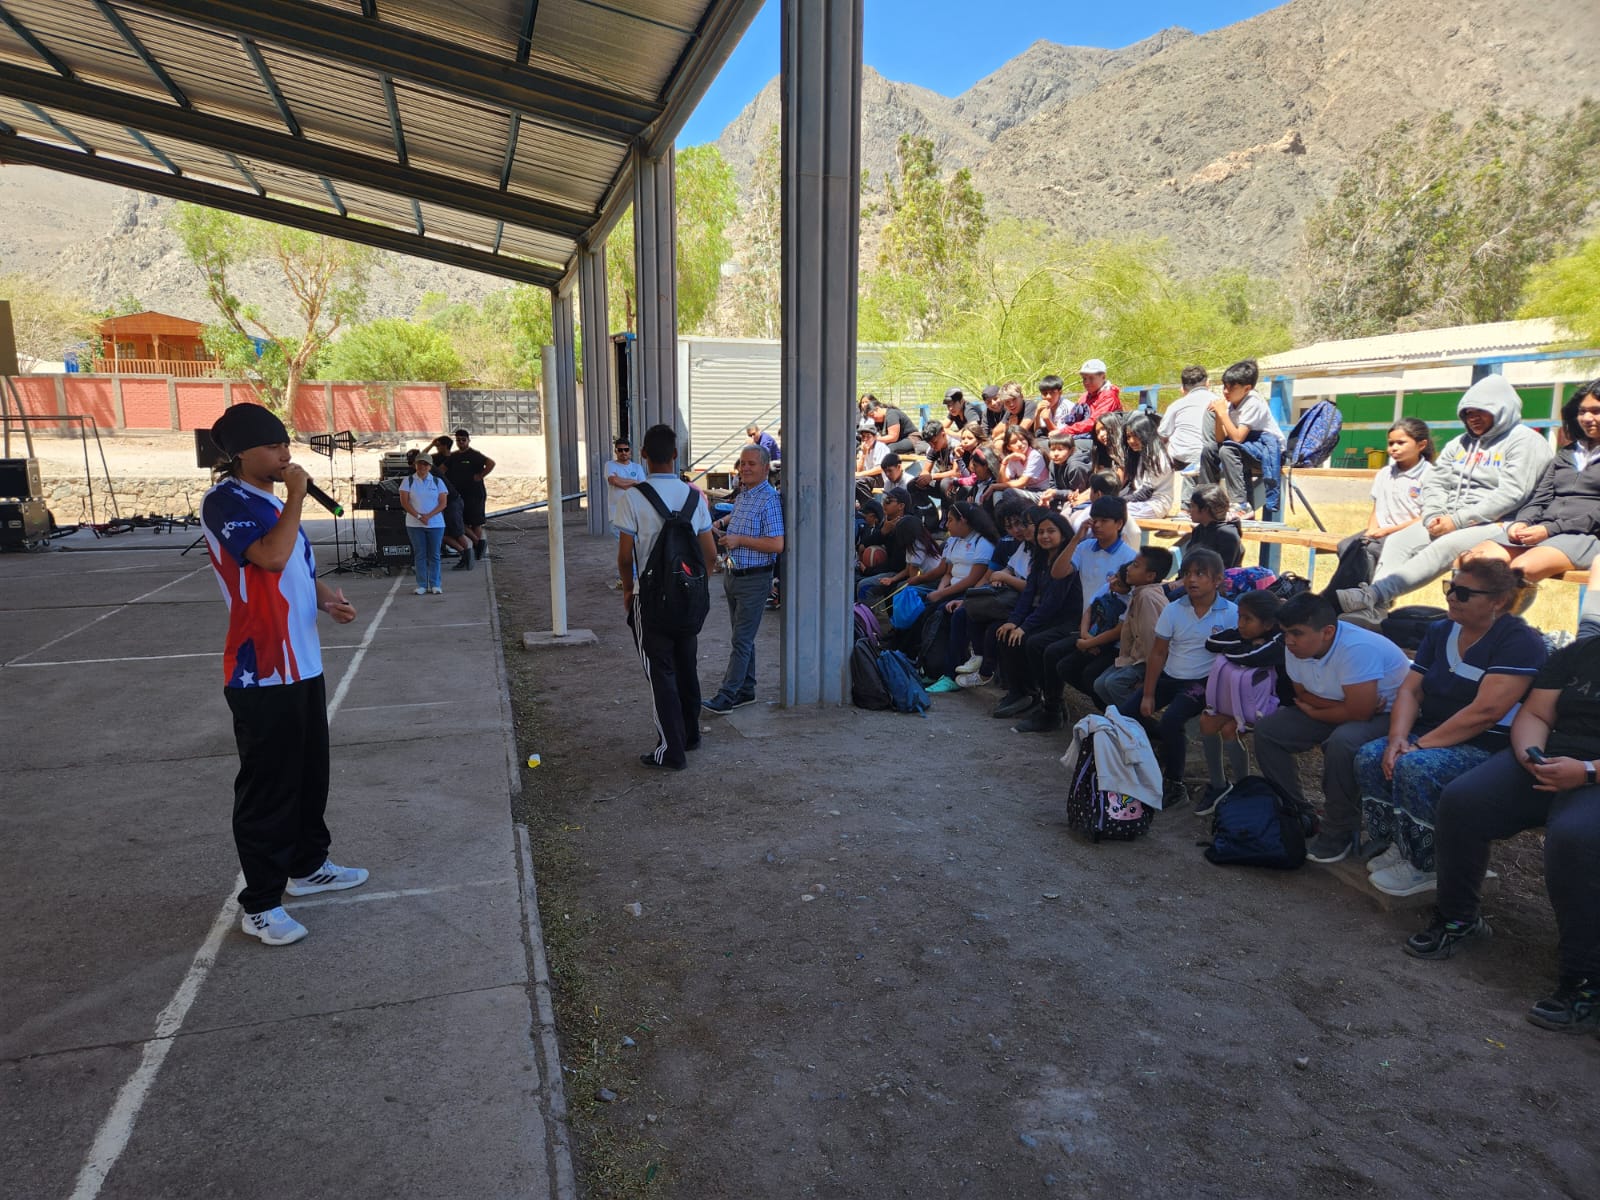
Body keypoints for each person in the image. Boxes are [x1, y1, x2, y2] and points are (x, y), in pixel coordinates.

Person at [1397, 578, 1600, 1035]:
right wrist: (1532, 756)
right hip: (1549, 762)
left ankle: (1585, 981)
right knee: (1464, 801)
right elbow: (1538, 713)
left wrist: (1587, 772)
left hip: (1592, 776)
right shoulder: (1582, 653)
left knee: (1575, 838)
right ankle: (1459, 919)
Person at [200, 402, 366, 947]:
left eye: (285, 445)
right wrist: (296, 495)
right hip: (261, 670)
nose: (285, 455)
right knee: (268, 789)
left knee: (309, 775)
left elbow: (297, 568)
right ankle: (261, 904)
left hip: (304, 662)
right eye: (273, 447)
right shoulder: (225, 501)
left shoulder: (274, 500)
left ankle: (308, 866)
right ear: (241, 454)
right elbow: (269, 558)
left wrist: (328, 600)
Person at [1353, 560, 1545, 897]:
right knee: (1371, 756)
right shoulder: (1441, 630)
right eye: (1450, 588)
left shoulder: (1519, 641)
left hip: (1487, 744)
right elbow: (1411, 690)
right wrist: (1397, 739)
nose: (1451, 597)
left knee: (1415, 766)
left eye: (1464, 593)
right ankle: (1401, 843)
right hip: (1434, 731)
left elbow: (1487, 712)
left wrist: (1419, 746)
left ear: (1498, 601)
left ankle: (1427, 864)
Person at [1337, 375, 1553, 626]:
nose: (1473, 418)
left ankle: (1373, 595)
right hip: (1449, 517)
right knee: (1398, 541)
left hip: (1501, 523)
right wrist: (1434, 514)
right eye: (1468, 413)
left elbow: (1513, 493)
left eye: (1481, 411)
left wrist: (1457, 521)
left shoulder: (1525, 441)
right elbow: (1435, 482)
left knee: (1445, 547)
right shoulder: (1459, 444)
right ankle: (1375, 611)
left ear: (1502, 410)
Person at [1253, 591, 1412, 863]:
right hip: (1344, 708)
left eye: (1296, 633)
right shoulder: (1295, 646)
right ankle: (1299, 813)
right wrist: (1340, 707)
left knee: (1342, 743)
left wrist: (1322, 710)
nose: (1288, 641)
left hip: (1388, 714)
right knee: (1269, 731)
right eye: (1285, 632)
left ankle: (1339, 830)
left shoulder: (1357, 648)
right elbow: (1303, 695)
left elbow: (1360, 714)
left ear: (1327, 632)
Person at [616, 424, 719, 770]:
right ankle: (690, 735)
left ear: (643, 454)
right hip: (687, 599)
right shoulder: (695, 497)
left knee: (660, 672)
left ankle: (670, 750)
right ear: (676, 455)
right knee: (687, 666)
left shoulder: (633, 497)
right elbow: (710, 553)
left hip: (651, 600)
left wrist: (628, 589)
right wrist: (695, 587)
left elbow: (625, 556)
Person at [1129, 548, 1238, 806]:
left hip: (1202, 682)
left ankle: (1175, 783)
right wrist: (1148, 694)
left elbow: (1235, 657)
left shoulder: (1231, 613)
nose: (1191, 580)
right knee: (1125, 715)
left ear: (1218, 580)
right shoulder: (1174, 609)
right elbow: (1158, 653)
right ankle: (1167, 744)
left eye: (1200, 574)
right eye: (1187, 573)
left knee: (1172, 719)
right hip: (1171, 676)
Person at [1465, 379, 1600, 583]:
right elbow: (1541, 497)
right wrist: (1522, 522)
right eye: (1582, 412)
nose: (1587, 418)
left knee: (1520, 570)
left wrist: (1550, 530)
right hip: (1544, 529)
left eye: (1596, 411)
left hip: (1586, 536)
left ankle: (1504, 606)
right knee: (1471, 562)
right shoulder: (1567, 453)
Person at [1195, 590, 1294, 812]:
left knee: (1229, 729)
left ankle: (1243, 789)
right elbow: (1211, 642)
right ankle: (1219, 786)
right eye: (1239, 616)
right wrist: (1247, 643)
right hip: (1245, 701)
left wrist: (1246, 648)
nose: (1240, 624)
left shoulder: (1280, 639)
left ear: (1268, 624)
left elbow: (1249, 657)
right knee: (1206, 722)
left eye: (1247, 619)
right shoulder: (1247, 633)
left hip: (1276, 704)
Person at [705, 445, 785, 715]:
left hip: (754, 579)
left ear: (764, 468)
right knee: (742, 638)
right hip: (734, 574)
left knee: (741, 640)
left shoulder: (769, 499)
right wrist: (721, 524)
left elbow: (776, 544)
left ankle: (727, 695)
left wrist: (739, 540)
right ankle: (746, 690)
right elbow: (739, 515)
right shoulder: (744, 494)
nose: (745, 468)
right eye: (742, 463)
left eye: (751, 463)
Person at [1014, 557, 1130, 733]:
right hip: (1088, 634)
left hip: (1108, 645)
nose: (1112, 582)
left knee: (1082, 673)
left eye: (1119, 583)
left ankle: (1116, 716)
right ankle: (1051, 707)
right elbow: (1089, 609)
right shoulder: (1109, 587)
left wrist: (1090, 642)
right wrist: (1085, 636)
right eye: (1114, 577)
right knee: (1046, 649)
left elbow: (1117, 631)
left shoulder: (1131, 599)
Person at [1322, 418, 1435, 597]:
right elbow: (1377, 507)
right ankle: (1343, 596)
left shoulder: (1431, 475)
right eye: (1391, 443)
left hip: (1411, 534)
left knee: (1370, 551)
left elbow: (1426, 517)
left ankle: (1370, 598)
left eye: (1401, 443)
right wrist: (1371, 530)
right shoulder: (1385, 473)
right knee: (1347, 545)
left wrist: (1387, 531)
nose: (1394, 448)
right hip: (1382, 531)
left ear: (1421, 445)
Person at [1197, 359, 1284, 520]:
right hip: (1246, 447)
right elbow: (1220, 438)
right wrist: (1219, 416)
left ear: (1247, 388)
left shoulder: (1253, 402)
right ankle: (1207, 503)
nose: (1225, 391)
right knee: (1209, 450)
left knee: (1228, 450)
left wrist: (1222, 413)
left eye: (1231, 388)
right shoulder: (1232, 403)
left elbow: (1237, 438)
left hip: (1267, 449)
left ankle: (1241, 505)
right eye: (1224, 386)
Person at [1092, 546, 1173, 713]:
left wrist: (1149, 679)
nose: (1128, 568)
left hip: (1147, 662)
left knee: (1114, 684)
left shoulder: (1146, 597)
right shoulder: (1139, 593)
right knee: (1100, 685)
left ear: (1150, 576)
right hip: (1134, 657)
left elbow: (1152, 641)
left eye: (1135, 566)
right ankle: (1123, 719)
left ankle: (1139, 720)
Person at [1053, 359, 1123, 486]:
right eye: (1084, 378)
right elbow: (1073, 417)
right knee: (1049, 444)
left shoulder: (1109, 396)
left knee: (1065, 447)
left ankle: (1078, 486)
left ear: (1103, 377)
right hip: (1086, 436)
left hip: (1102, 439)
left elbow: (1093, 422)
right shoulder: (1085, 396)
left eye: (1091, 378)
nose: (1086, 382)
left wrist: (1064, 431)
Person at [399, 451, 449, 595]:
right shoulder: (408, 481)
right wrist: (419, 516)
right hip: (414, 524)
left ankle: (435, 584)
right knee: (420, 554)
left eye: (426, 464)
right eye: (420, 463)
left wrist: (428, 516)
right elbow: (405, 502)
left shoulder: (437, 481)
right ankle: (421, 584)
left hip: (436, 524)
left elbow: (443, 503)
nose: (422, 466)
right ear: (415, 465)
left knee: (434, 555)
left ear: (430, 466)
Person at [444, 428, 494, 560]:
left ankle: (478, 550)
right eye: (458, 440)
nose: (461, 442)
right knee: (461, 522)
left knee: (475, 522)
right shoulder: (453, 456)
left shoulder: (474, 455)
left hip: (475, 494)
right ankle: (477, 543)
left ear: (468, 440)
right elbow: (441, 470)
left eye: (463, 440)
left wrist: (480, 475)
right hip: (459, 496)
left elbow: (491, 463)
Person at [425, 436, 474, 569]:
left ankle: (468, 554)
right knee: (444, 534)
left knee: (457, 532)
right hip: (448, 502)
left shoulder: (431, 470)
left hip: (452, 502)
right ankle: (465, 554)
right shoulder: (431, 464)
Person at [1120, 410, 1176, 522]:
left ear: (1145, 433)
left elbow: (1145, 493)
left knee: (1111, 511)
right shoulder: (1142, 454)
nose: (1131, 441)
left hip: (1156, 504)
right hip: (1140, 503)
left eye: (1135, 435)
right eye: (1128, 436)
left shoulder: (1157, 456)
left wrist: (1118, 501)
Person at [1158, 365, 1215, 471]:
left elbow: (1163, 433)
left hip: (1181, 459)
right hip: (1211, 457)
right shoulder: (1218, 401)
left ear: (1183, 388)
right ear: (1207, 384)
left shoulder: (1177, 405)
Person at [1177, 483, 1244, 568]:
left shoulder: (1227, 535)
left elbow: (1224, 570)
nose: (1189, 510)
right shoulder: (1199, 530)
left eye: (1192, 506)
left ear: (1205, 509)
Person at [604, 436, 647, 539]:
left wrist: (620, 480)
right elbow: (614, 481)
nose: (623, 452)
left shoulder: (637, 467)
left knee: (636, 544)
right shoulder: (610, 465)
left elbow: (642, 487)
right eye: (620, 450)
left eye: (626, 449)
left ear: (630, 451)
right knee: (623, 545)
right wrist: (633, 482)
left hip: (634, 513)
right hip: (616, 514)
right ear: (615, 451)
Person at [996, 425, 1049, 501]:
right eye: (1014, 442)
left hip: (1043, 492)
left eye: (1022, 439)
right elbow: (1001, 482)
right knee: (997, 493)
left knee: (1009, 492)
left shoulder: (1034, 455)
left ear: (1027, 439)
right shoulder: (1013, 458)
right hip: (1028, 490)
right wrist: (1005, 461)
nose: (1020, 444)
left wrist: (994, 486)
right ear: (1008, 447)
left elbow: (1022, 482)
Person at [854, 421, 890, 502]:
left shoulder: (880, 447)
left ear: (874, 437)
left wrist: (861, 474)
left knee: (860, 481)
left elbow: (880, 468)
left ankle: (869, 504)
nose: (865, 439)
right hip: (869, 477)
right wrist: (863, 455)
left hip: (882, 478)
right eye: (863, 437)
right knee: (856, 481)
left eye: (868, 436)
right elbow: (859, 470)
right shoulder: (862, 448)